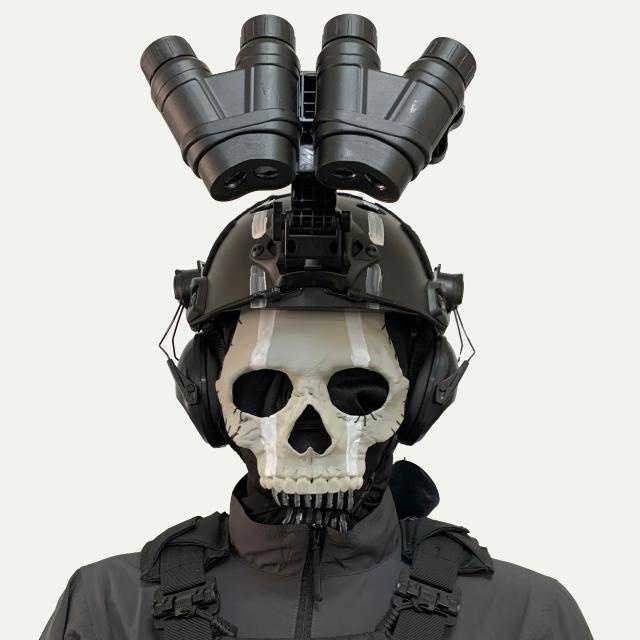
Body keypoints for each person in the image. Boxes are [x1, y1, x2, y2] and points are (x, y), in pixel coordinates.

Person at [41, 14, 593, 640]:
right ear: (206, 391)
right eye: (265, 388)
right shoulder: (109, 608)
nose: (308, 437)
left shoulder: (524, 618)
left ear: (422, 391)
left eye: (358, 390)